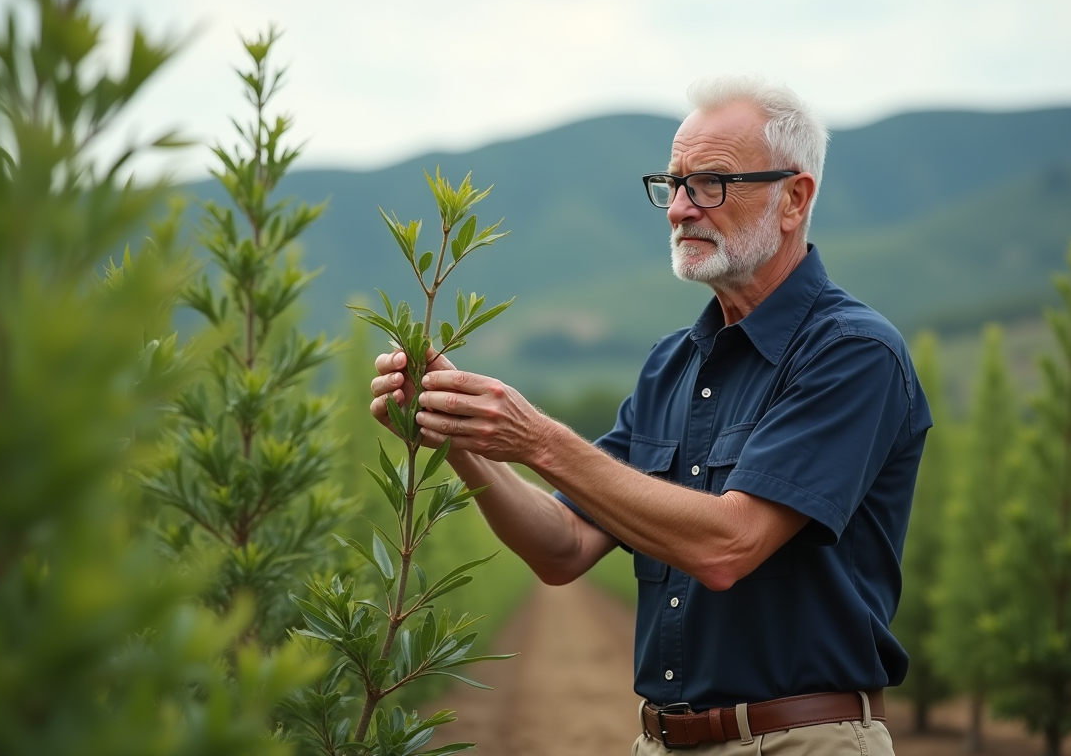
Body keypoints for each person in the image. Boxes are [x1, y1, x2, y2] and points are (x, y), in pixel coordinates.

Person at [370, 76, 931, 755]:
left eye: (711, 184)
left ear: (794, 197)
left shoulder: (851, 353)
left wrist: (538, 438)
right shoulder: (673, 366)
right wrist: (458, 433)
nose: (680, 209)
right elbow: (564, 547)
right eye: (673, 184)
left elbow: (728, 547)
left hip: (798, 741)